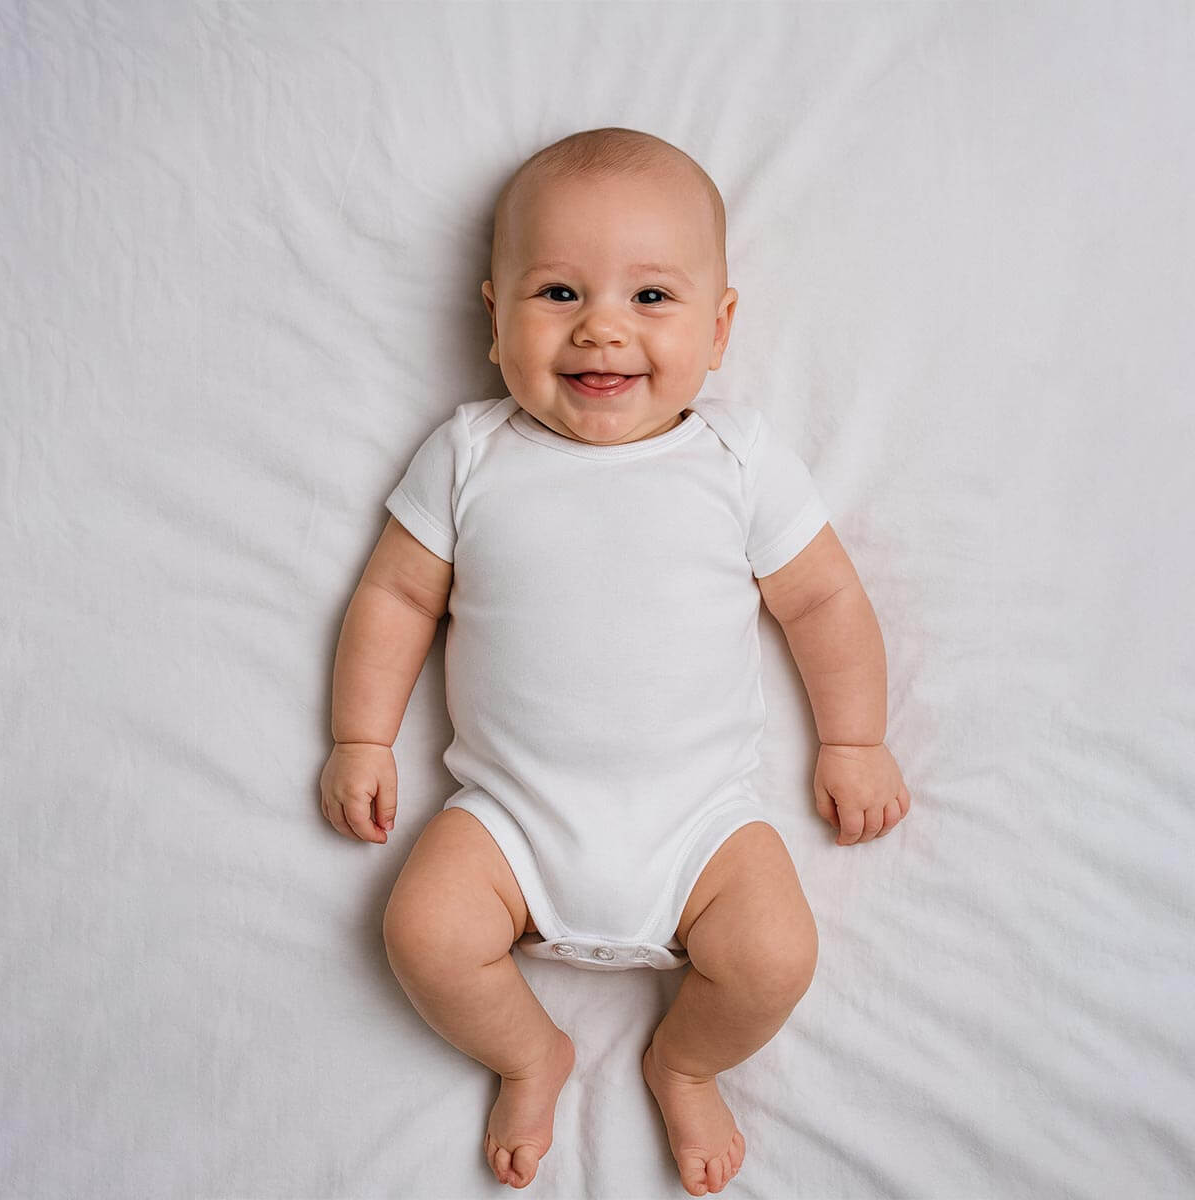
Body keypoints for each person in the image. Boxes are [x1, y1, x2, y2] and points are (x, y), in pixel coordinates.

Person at [319, 126, 911, 1196]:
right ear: (494, 318)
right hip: (510, 817)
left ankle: (683, 1063)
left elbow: (823, 598)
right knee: (422, 932)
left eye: (651, 299)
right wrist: (360, 733)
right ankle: (528, 1051)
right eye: (557, 293)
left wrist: (855, 738)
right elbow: (399, 595)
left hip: (701, 829)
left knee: (777, 958)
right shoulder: (469, 452)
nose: (601, 329)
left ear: (720, 326)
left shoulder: (737, 458)